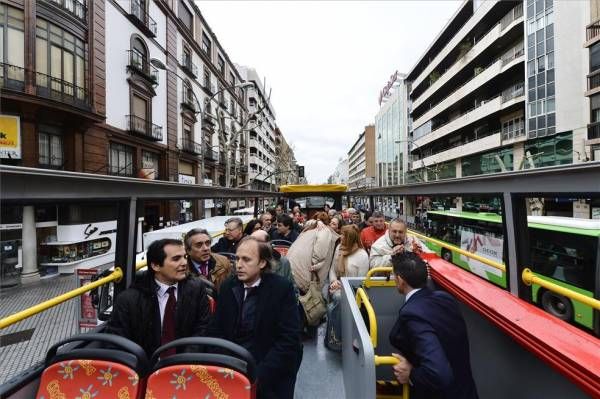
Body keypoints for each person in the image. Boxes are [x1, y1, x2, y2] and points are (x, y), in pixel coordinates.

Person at [209, 236, 302, 399]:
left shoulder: (281, 289)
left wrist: (258, 376)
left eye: (246, 260)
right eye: (237, 259)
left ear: (262, 263)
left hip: (268, 368)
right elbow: (217, 329)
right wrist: (226, 366)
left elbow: (288, 338)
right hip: (231, 367)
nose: (238, 265)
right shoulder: (227, 287)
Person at [389, 252, 479, 399]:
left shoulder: (412, 314)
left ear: (400, 280)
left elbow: (439, 374)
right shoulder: (446, 299)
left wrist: (410, 374)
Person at [106, 239, 210, 358]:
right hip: (144, 366)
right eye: (176, 259)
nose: (184, 263)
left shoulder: (196, 289)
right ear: (155, 266)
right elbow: (118, 340)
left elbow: (203, 327)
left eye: (185, 257)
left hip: (185, 363)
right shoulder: (129, 299)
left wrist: (185, 359)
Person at [326, 225, 369, 351]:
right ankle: (333, 337)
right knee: (337, 297)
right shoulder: (339, 248)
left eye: (344, 235)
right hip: (337, 285)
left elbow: (360, 280)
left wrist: (343, 285)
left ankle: (337, 339)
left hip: (352, 289)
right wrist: (334, 281)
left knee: (339, 299)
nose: (341, 237)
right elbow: (333, 270)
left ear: (350, 238)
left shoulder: (362, 255)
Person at [288, 212, 339, 295]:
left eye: (334, 223)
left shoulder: (310, 228)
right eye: (331, 222)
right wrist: (315, 264)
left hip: (294, 269)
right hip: (304, 273)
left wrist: (318, 221)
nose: (331, 224)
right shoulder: (325, 230)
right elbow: (319, 255)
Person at [184, 228, 231, 294]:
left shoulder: (224, 262)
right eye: (199, 245)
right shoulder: (182, 270)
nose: (206, 248)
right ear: (188, 250)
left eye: (208, 243)